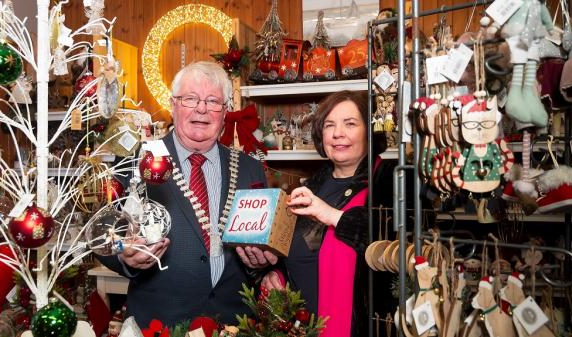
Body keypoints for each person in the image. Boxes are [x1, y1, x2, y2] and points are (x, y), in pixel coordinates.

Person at [97, 61, 276, 329]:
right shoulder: (136, 162)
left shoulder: (250, 169)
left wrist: (261, 265)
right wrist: (123, 255)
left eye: (213, 101)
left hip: (233, 324)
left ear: (225, 112)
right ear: (173, 105)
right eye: (190, 99)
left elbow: (264, 245)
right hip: (159, 324)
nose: (201, 109)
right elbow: (101, 231)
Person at [261, 90, 386, 337]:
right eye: (330, 125)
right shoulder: (310, 187)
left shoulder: (389, 181)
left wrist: (332, 215)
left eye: (350, 124)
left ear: (369, 131)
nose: (338, 133)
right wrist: (276, 275)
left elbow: (390, 243)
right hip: (298, 328)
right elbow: (298, 253)